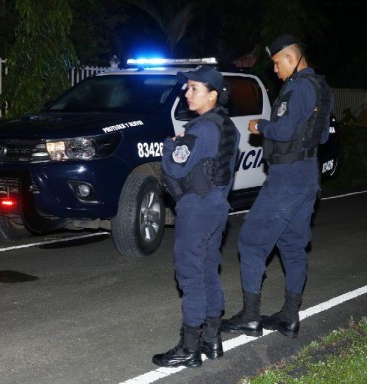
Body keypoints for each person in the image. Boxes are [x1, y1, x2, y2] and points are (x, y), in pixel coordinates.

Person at [221, 34, 334, 338]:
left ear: (289, 57)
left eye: (275, 63)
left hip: (285, 181)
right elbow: (322, 137)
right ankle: (289, 316)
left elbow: (282, 131)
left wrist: (260, 126)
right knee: (292, 247)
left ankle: (249, 316)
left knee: (250, 242)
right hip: (308, 178)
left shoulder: (297, 89)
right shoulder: (322, 89)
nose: (274, 70)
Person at [152, 65, 240, 368]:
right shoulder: (228, 127)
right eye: (186, 87)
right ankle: (212, 339)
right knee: (207, 272)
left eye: (194, 89)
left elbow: (175, 169)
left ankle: (189, 348)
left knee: (190, 276)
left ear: (213, 95)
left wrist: (169, 145)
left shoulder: (200, 129)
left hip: (197, 207)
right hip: (217, 206)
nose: (186, 94)